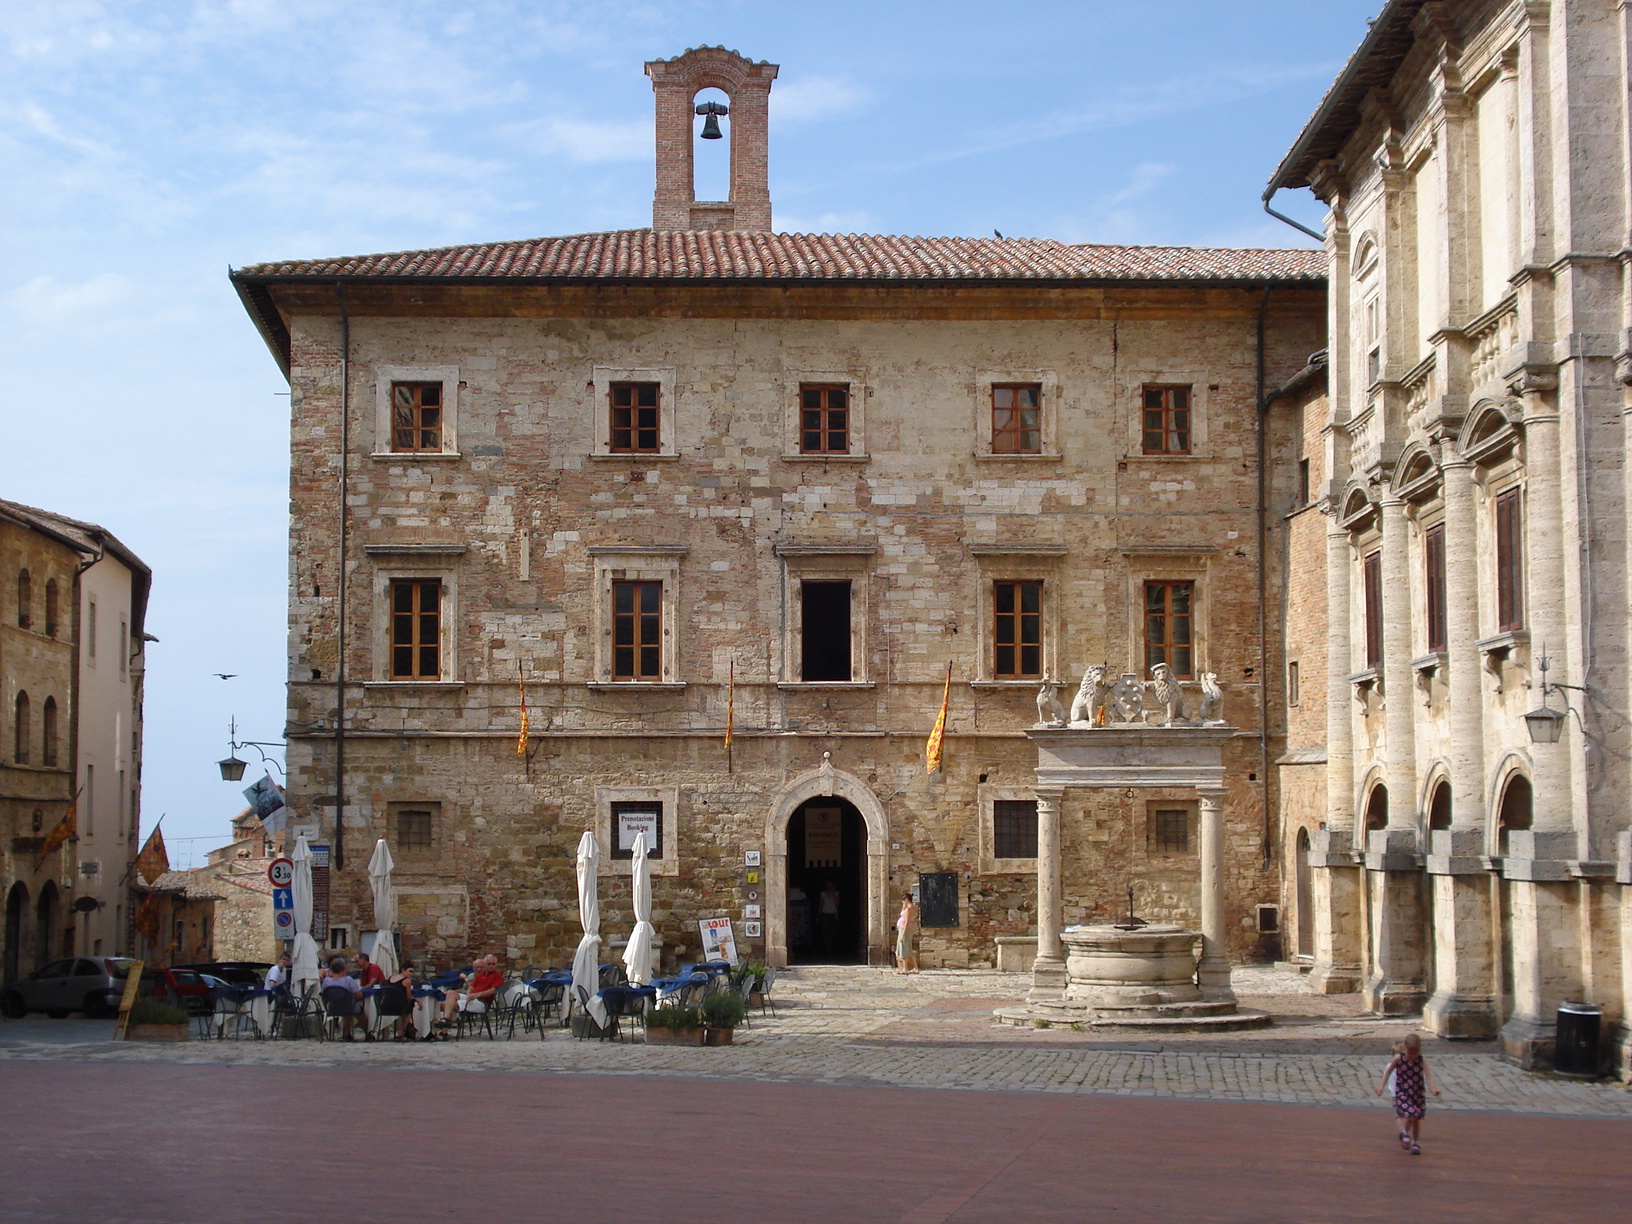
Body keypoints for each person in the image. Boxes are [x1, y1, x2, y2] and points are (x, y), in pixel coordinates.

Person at [1376, 1032, 1439, 1154]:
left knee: (1416, 1118)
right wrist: (1381, 1086)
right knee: (1411, 1113)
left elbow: (1428, 1076)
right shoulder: (1399, 1059)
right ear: (1405, 1048)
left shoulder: (1421, 1060)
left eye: (1414, 1053)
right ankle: (1405, 1134)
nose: (1412, 1056)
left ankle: (1415, 1142)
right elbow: (1388, 1072)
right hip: (1403, 1092)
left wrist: (1433, 1089)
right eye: (1410, 1053)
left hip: (1418, 1092)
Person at [437, 953, 503, 1036]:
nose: (491, 966)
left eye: (493, 964)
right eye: (489, 964)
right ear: (485, 964)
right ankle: (445, 1022)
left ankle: (444, 1029)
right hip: (472, 998)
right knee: (450, 993)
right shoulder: (480, 976)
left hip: (481, 1002)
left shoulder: (497, 975)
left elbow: (492, 990)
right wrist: (468, 995)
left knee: (446, 1004)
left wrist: (478, 994)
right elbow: (471, 987)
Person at [319, 955, 363, 1041]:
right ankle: (367, 1033)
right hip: (348, 1007)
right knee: (359, 1013)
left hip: (332, 1008)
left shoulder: (327, 981)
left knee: (347, 1009)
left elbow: (323, 994)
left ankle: (347, 1034)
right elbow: (358, 995)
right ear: (344, 968)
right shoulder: (348, 980)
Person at [377, 959, 416, 1041]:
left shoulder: (390, 978)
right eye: (410, 971)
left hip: (384, 1006)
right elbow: (408, 998)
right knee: (409, 1008)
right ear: (403, 970)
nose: (412, 974)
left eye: (413, 972)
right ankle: (400, 1034)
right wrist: (417, 1000)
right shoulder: (407, 981)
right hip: (398, 1008)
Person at [894, 891, 920, 974]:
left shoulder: (908, 909)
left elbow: (906, 922)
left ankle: (905, 969)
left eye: (903, 900)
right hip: (909, 929)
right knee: (909, 948)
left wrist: (903, 934)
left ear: (906, 899)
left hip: (905, 929)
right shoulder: (914, 907)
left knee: (904, 948)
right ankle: (916, 968)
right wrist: (903, 906)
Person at [817, 881, 841, 961]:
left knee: (834, 933)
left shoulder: (836, 894)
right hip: (825, 915)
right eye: (828, 885)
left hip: (833, 915)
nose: (829, 887)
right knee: (826, 934)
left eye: (831, 885)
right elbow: (821, 905)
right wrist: (818, 916)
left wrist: (833, 896)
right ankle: (829, 953)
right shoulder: (823, 894)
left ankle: (833, 951)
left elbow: (837, 904)